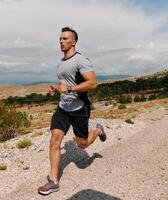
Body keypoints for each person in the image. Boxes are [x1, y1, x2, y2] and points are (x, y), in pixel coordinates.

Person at [37, 27, 107, 195]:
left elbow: (92, 83)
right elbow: (64, 83)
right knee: (55, 140)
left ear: (74, 41)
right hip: (63, 108)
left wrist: (68, 89)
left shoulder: (81, 60)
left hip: (78, 109)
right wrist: (57, 88)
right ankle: (54, 182)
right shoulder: (60, 62)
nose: (61, 41)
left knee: (82, 144)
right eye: (60, 38)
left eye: (65, 38)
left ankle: (97, 130)